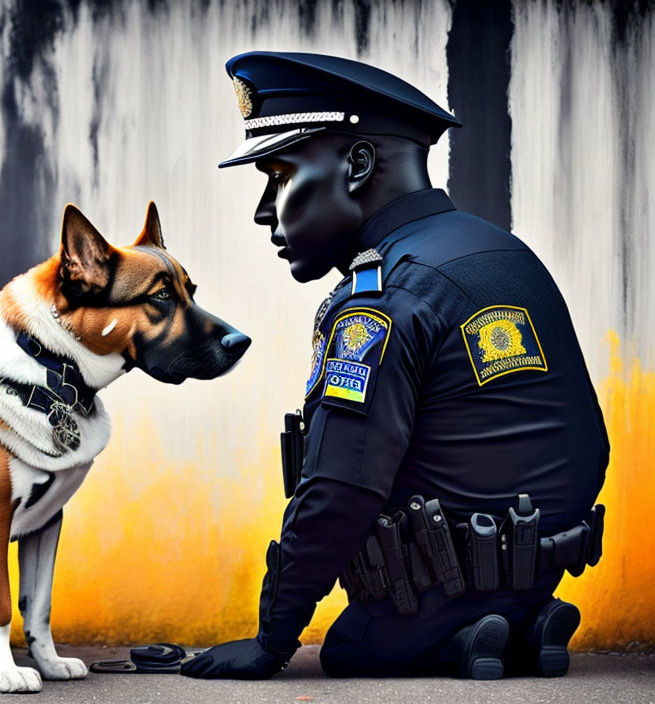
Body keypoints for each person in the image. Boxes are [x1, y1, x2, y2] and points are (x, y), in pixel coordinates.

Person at [180, 51, 609, 681]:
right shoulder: (508, 255)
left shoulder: (381, 297)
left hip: (423, 597)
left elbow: (338, 486)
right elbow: (584, 439)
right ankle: (521, 623)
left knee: (351, 649)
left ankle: (455, 640)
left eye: (277, 176)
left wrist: (271, 640)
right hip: (535, 574)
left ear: (357, 165)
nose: (264, 211)